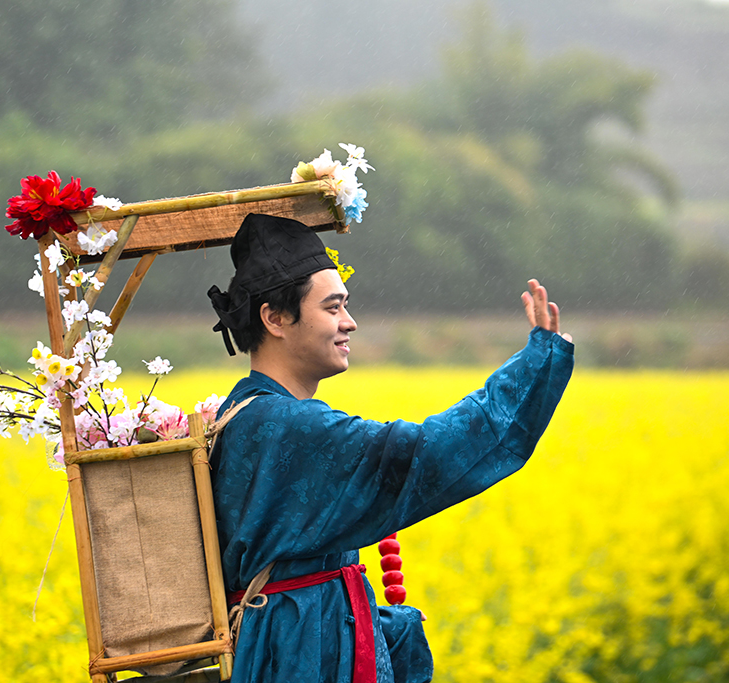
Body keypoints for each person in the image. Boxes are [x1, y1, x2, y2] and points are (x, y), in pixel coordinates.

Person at [206, 213, 574, 683]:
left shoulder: (248, 411)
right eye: (333, 307)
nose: (350, 323)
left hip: (283, 647)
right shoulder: (289, 424)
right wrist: (536, 366)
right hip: (299, 658)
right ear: (275, 319)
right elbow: (426, 453)